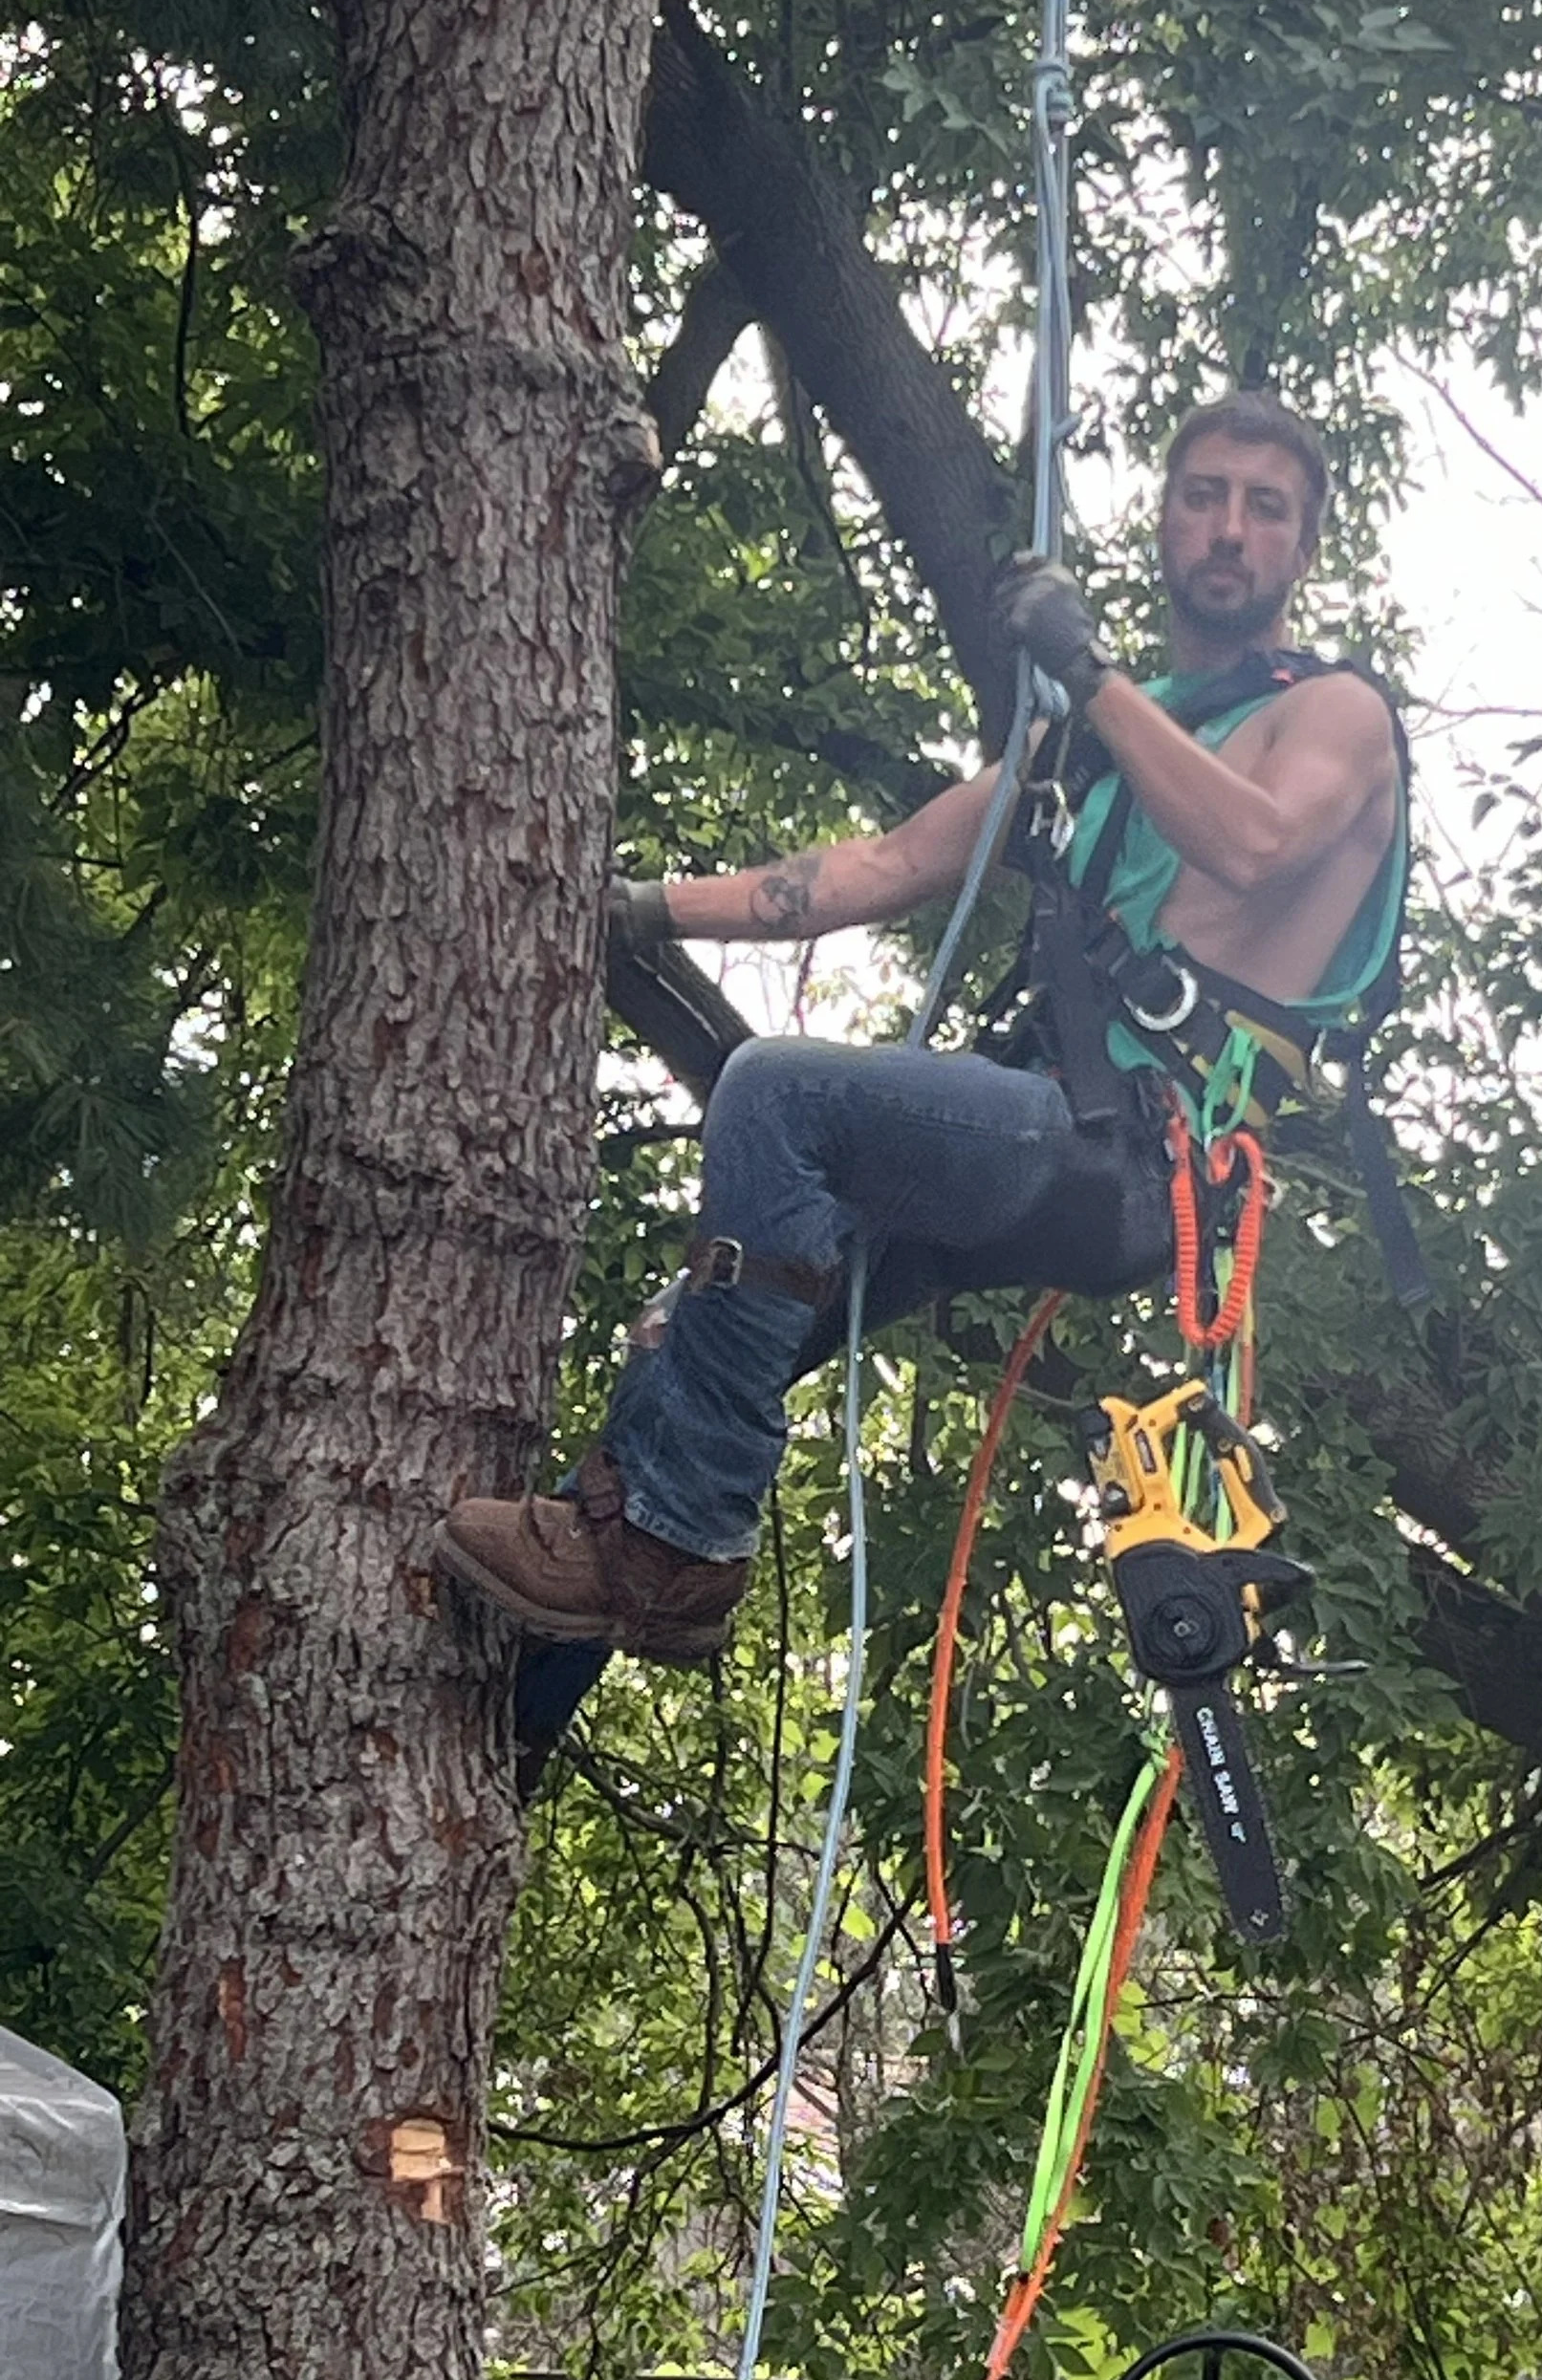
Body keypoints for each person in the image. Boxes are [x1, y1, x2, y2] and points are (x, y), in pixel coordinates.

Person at [433, 389, 1404, 1663]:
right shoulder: (1084, 749)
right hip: (1032, 1137)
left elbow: (1253, 838)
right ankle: (532, 1694)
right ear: (1166, 522)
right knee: (685, 1364)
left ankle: (691, 1543)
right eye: (1205, 497)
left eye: (1264, 509)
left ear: (1302, 545)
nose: (1229, 529)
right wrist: (633, 910)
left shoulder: (1333, 714)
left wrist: (1091, 673)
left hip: (1139, 1160)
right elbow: (884, 864)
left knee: (776, 1096)